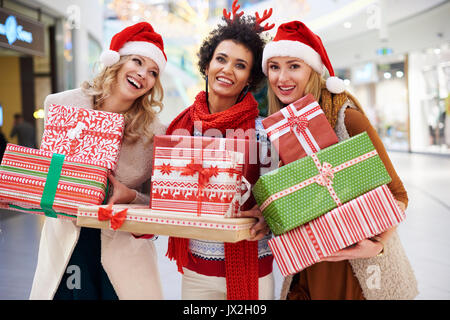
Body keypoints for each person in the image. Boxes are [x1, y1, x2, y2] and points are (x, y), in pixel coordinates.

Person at [262, 21, 418, 300]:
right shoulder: (279, 129)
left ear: (313, 70)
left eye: (294, 65)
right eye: (274, 67)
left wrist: (377, 245)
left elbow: (398, 194)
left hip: (354, 270)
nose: (282, 77)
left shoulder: (347, 118)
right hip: (308, 263)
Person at [29, 22, 167, 300]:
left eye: (153, 72)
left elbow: (158, 201)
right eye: (137, 61)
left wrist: (130, 197)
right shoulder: (61, 104)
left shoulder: (155, 132)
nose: (143, 74)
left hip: (123, 248)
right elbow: (48, 174)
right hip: (68, 241)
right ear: (116, 62)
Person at [165, 1, 275, 300]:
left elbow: (285, 194)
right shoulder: (180, 129)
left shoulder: (266, 133)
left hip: (254, 265)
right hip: (197, 269)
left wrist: (272, 215)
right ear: (207, 64)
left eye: (240, 65)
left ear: (250, 79)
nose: (227, 70)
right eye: (221, 59)